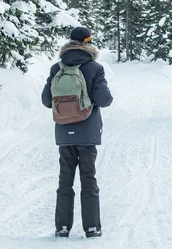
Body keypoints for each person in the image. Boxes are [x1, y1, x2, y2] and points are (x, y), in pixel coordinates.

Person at [41, 26, 113, 238]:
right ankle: (92, 228)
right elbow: (104, 100)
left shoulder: (57, 67)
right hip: (87, 131)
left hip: (63, 131)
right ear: (88, 42)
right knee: (88, 178)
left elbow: (46, 100)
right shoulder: (94, 68)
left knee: (65, 180)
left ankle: (62, 227)